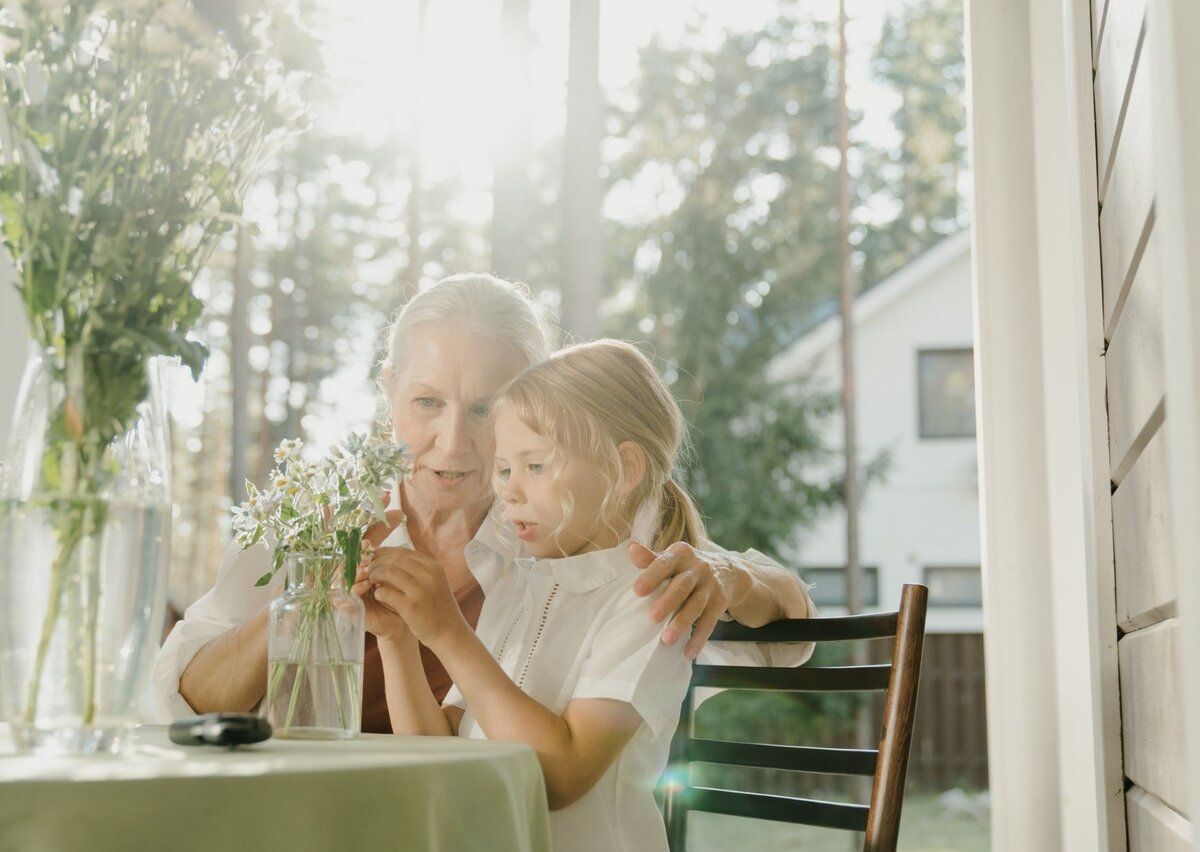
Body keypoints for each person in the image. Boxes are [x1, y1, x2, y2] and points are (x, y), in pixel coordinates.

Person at [153, 274, 813, 730]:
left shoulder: (569, 529)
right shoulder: (316, 515)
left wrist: (724, 577)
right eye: (427, 403)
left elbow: (784, 639)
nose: (453, 444)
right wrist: (297, 606)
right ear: (389, 391)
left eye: (485, 410)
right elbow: (178, 701)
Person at [357, 340, 699, 852]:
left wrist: (450, 634)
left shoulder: (647, 599)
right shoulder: (517, 586)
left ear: (624, 470)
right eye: (504, 469)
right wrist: (397, 637)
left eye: (536, 466)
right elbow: (437, 750)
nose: (510, 491)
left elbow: (560, 777)